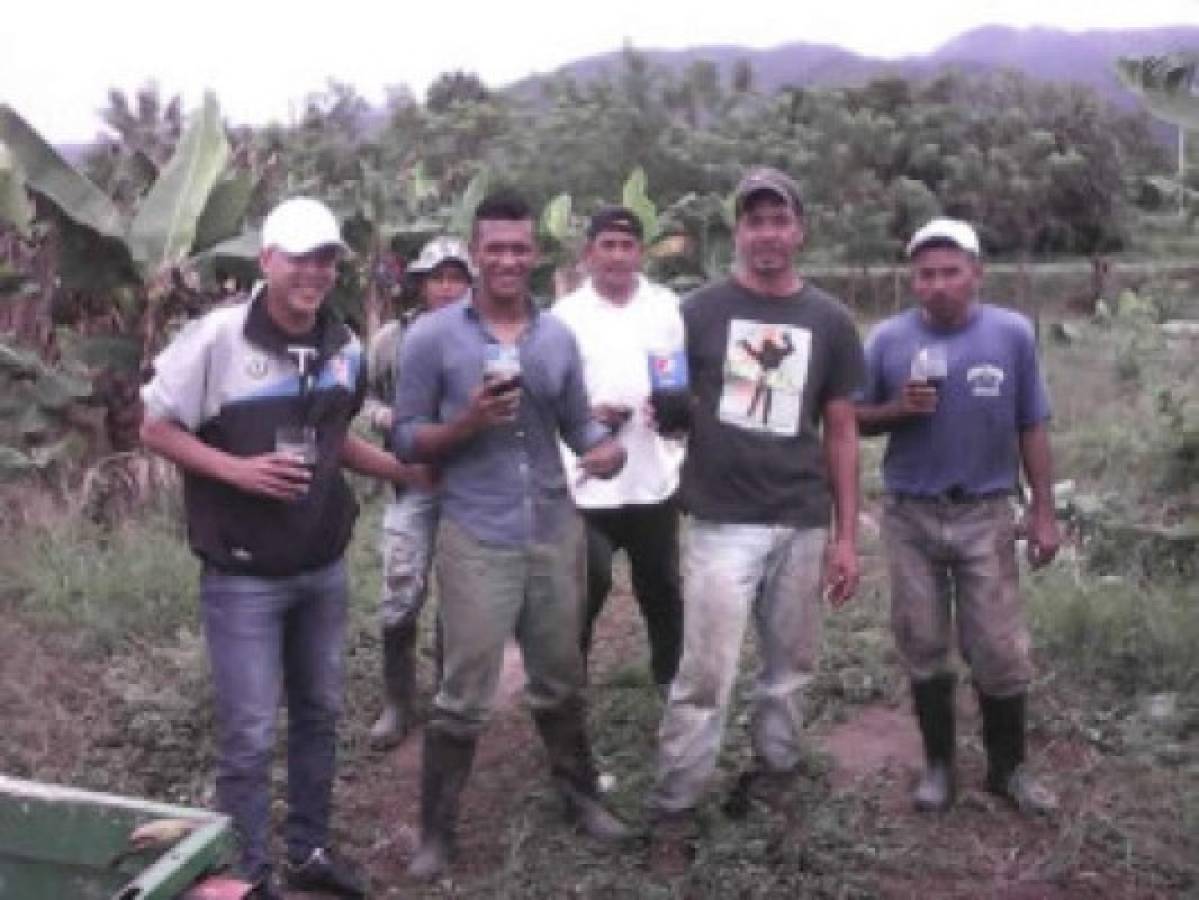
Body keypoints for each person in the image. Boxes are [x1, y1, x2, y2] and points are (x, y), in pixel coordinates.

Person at [140, 196, 430, 898]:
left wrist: (399, 469)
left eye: (326, 258)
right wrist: (236, 470)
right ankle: (248, 873)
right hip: (242, 575)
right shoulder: (218, 339)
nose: (313, 271)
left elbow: (335, 441)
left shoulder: (344, 349)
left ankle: (308, 851)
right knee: (247, 734)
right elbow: (155, 427)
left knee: (319, 715)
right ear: (267, 259)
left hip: (321, 567)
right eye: (298, 256)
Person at [393, 191, 631, 880]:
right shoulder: (432, 338)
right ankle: (435, 834)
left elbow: (574, 423)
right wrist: (465, 423)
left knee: (560, 677)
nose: (506, 259)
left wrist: (601, 447)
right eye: (493, 247)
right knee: (464, 689)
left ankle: (579, 796)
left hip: (554, 528)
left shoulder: (555, 337)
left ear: (535, 254)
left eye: (518, 248)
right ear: (474, 253)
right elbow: (407, 439)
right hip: (477, 531)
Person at [647, 167, 864, 825]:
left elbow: (842, 431)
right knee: (704, 674)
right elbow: (669, 403)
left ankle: (775, 775)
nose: (766, 233)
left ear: (798, 230)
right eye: (753, 220)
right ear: (737, 231)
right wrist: (663, 414)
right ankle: (675, 806)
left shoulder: (828, 320)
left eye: (779, 219)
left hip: (799, 518)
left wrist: (846, 535)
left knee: (789, 668)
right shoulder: (697, 313)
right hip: (719, 520)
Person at [855, 217, 1060, 815]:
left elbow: (1032, 424)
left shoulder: (1012, 334)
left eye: (951, 272)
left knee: (998, 647)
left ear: (976, 274)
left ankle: (1008, 769)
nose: (938, 284)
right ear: (912, 280)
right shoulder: (888, 340)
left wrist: (1043, 512)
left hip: (985, 513)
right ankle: (939, 766)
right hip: (910, 514)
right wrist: (898, 408)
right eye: (926, 274)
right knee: (922, 640)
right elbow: (853, 421)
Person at [550, 206, 684, 695]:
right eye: (606, 245)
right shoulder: (563, 318)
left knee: (663, 588)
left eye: (627, 246)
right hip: (587, 481)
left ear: (640, 253)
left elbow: (678, 378)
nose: (617, 256)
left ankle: (671, 681)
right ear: (588, 254)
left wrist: (670, 408)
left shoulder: (666, 306)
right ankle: (568, 686)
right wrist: (587, 415)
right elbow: (548, 393)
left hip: (653, 473)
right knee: (587, 586)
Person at [364, 236, 473, 748]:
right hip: (412, 481)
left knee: (460, 591)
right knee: (400, 585)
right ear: (422, 285)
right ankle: (397, 702)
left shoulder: (487, 334)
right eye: (438, 278)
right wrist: (393, 419)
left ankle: (450, 697)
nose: (447, 288)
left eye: (456, 278)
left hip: (470, 484)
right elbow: (363, 399)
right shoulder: (393, 339)